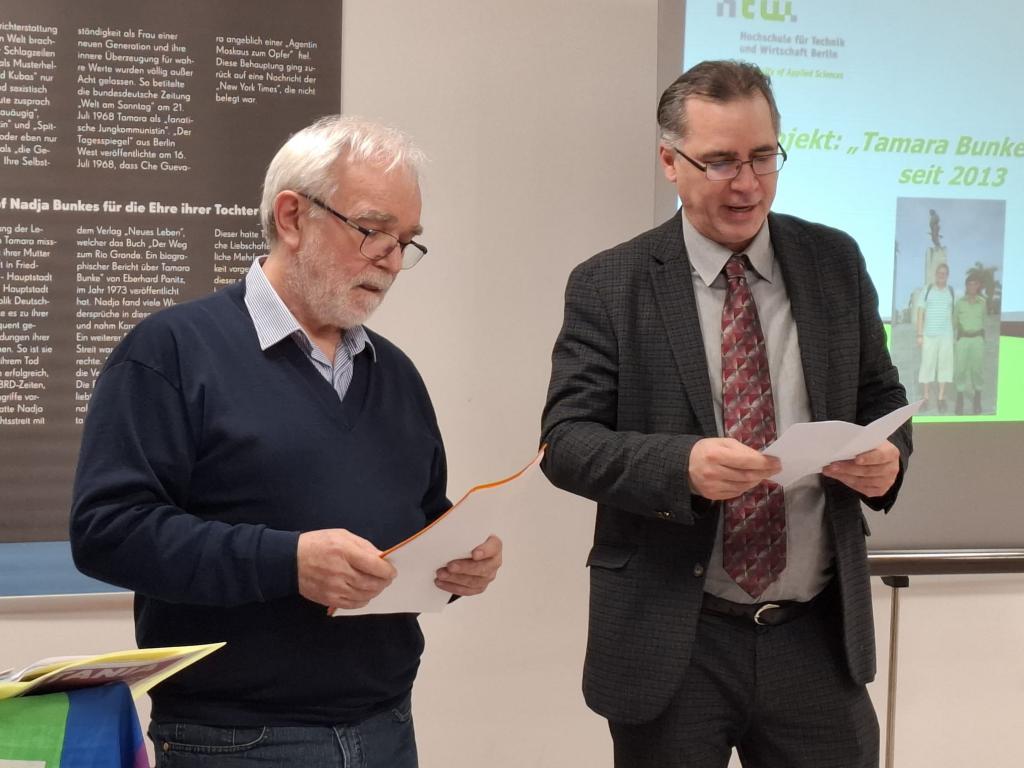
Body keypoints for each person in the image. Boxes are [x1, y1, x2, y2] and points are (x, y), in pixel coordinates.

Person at [70, 116, 503, 767]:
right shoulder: (171, 352)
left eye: (406, 241)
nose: (391, 259)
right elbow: (107, 530)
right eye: (372, 229)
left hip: (386, 725)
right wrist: (288, 562)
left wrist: (453, 563)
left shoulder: (396, 374)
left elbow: (415, 515)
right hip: (237, 739)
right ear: (293, 217)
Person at [540, 60, 911, 768]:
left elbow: (882, 397)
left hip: (816, 637)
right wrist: (680, 466)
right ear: (669, 163)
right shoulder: (610, 283)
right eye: (720, 162)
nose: (747, 184)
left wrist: (889, 459)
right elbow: (566, 443)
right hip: (675, 640)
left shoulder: (834, 261)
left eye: (763, 157)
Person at [916, 262, 955, 412]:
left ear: (947, 276)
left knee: (945, 366)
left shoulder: (951, 292)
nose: (941, 275)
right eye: (939, 273)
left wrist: (953, 335)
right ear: (935, 274)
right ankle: (925, 398)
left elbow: (951, 314)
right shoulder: (927, 290)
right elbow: (920, 313)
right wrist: (919, 334)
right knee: (927, 365)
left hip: (946, 336)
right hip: (929, 336)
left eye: (944, 273)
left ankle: (941, 398)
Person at [954, 272, 987, 414]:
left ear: (978, 286)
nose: (972, 287)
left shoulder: (982, 303)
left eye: (975, 284)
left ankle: (977, 399)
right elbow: (955, 321)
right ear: (966, 286)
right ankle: (960, 399)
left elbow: (984, 320)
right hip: (963, 340)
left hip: (977, 339)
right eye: (969, 284)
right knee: (960, 370)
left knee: (977, 370)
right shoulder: (959, 303)